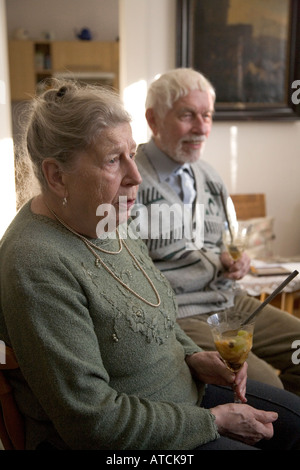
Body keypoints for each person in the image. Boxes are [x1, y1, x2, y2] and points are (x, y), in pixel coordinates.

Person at [1, 80, 300, 451]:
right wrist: (213, 422)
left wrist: (194, 357)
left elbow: (156, 313)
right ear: (57, 176)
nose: (136, 176)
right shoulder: (35, 263)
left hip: (183, 397)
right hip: (128, 443)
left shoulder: (108, 219)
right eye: (114, 160)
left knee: (296, 422)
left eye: (132, 153)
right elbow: (91, 420)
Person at [135, 67, 300, 396]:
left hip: (229, 301)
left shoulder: (209, 176)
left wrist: (235, 259)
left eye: (207, 115)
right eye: (187, 115)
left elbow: (228, 241)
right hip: (179, 312)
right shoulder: (130, 179)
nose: (201, 128)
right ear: (153, 120)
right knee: (268, 383)